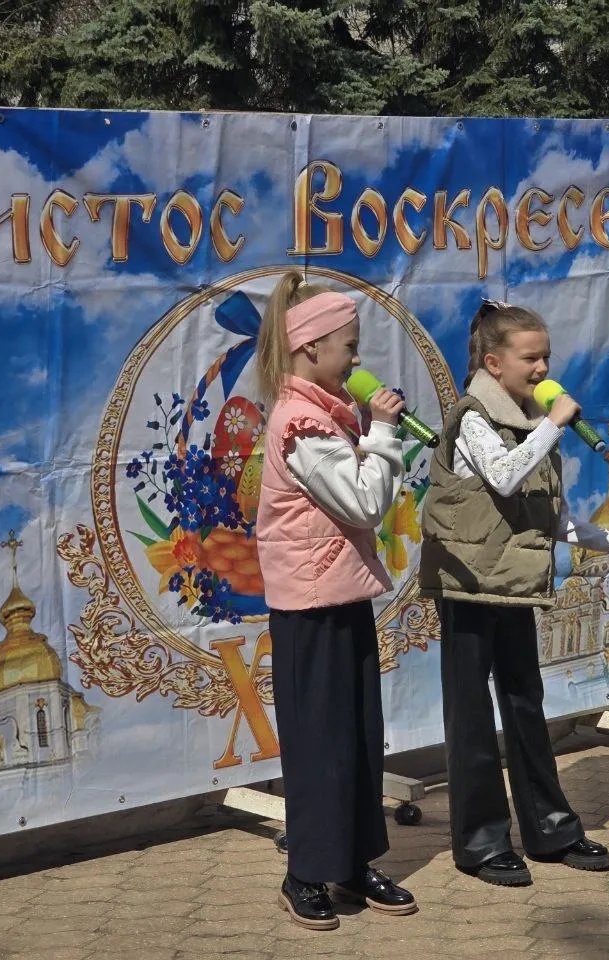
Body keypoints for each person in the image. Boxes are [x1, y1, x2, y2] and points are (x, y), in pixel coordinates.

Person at [419, 299, 609, 886]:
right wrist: (554, 424)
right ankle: (481, 842)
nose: (541, 368)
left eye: (546, 357)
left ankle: (550, 827)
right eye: (530, 358)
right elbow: (504, 475)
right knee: (471, 715)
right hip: (470, 585)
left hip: (515, 583)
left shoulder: (532, 419)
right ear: (493, 361)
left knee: (525, 703)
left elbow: (545, 515)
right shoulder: (475, 416)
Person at [254, 270, 418, 930]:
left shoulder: (325, 414)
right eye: (348, 347)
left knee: (356, 736)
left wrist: (371, 428)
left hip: (340, 592)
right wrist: (382, 434)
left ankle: (350, 863)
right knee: (319, 742)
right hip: (309, 606)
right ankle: (306, 873)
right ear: (310, 348)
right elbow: (363, 501)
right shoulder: (299, 425)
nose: (357, 360)